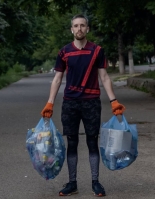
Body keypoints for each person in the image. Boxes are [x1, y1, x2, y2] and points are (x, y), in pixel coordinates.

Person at [41, 14, 125, 197]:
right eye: (76, 26)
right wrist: (50, 103)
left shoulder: (97, 51)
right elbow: (57, 79)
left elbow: (104, 77)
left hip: (91, 103)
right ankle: (72, 183)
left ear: (87, 29)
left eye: (82, 25)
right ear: (71, 29)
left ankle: (95, 182)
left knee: (92, 142)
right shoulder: (64, 52)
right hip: (70, 103)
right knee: (72, 143)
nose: (79, 29)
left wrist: (113, 101)